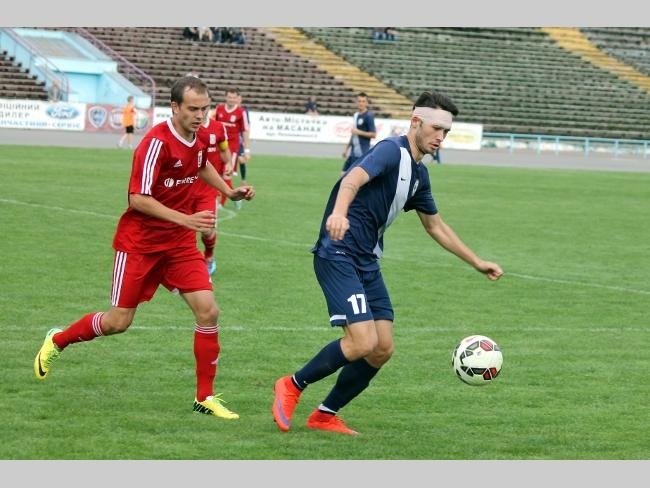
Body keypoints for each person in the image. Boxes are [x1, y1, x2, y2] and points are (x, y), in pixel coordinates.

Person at [272, 90, 503, 435]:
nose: (441, 137)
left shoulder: (420, 175)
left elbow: (435, 226)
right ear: (416, 122)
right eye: (436, 128)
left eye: (446, 132)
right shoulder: (390, 151)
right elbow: (352, 179)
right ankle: (292, 384)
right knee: (362, 342)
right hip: (338, 254)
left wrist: (476, 261)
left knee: (381, 348)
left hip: (366, 261)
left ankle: (325, 414)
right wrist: (338, 214)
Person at [34, 76, 255, 421]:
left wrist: (228, 191)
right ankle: (59, 339)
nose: (200, 115)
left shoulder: (198, 136)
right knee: (118, 322)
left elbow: (201, 165)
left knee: (209, 312)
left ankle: (204, 397)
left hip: (178, 245)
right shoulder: (155, 143)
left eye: (205, 108)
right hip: (140, 244)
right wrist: (185, 219)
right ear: (175, 107)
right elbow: (137, 199)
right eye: (193, 109)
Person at [195, 109, 232, 275]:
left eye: (204, 107)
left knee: (206, 228)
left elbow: (224, 149)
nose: (200, 111)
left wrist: (228, 164)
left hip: (208, 187)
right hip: (184, 185)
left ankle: (209, 256)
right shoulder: (184, 127)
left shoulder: (218, 128)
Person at [213, 88, 250, 208]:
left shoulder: (241, 112)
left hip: (232, 149)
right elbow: (214, 125)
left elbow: (245, 131)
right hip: (218, 147)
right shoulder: (219, 108)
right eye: (229, 97)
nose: (231, 99)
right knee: (217, 174)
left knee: (226, 174)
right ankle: (235, 195)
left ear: (237, 98)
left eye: (234, 97)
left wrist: (247, 150)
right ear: (226, 97)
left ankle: (220, 204)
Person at [340, 92, 376, 176]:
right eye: (359, 101)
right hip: (353, 153)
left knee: (353, 178)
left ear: (367, 103)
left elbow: (373, 134)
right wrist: (346, 148)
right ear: (356, 102)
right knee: (342, 175)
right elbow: (354, 134)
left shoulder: (369, 116)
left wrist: (358, 132)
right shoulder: (355, 115)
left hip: (362, 154)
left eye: (363, 101)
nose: (361, 103)